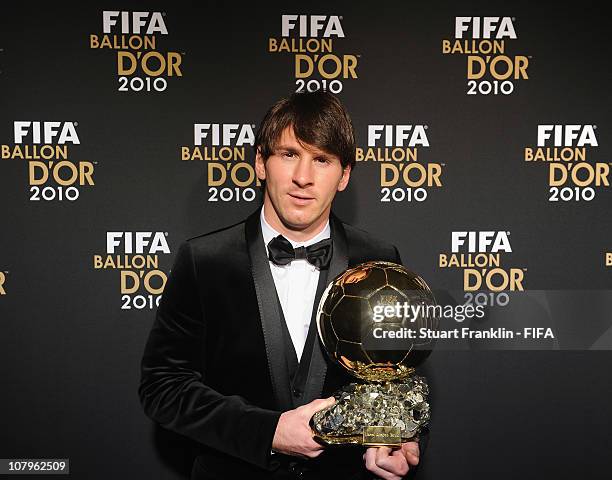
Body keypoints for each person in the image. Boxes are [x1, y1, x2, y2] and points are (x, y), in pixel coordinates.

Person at [139, 91, 428, 480]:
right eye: (289, 154)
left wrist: (392, 438)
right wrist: (268, 432)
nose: (303, 178)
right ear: (260, 162)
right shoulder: (204, 260)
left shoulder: (379, 260)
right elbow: (163, 387)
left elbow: (395, 376)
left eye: (322, 160)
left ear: (344, 176)